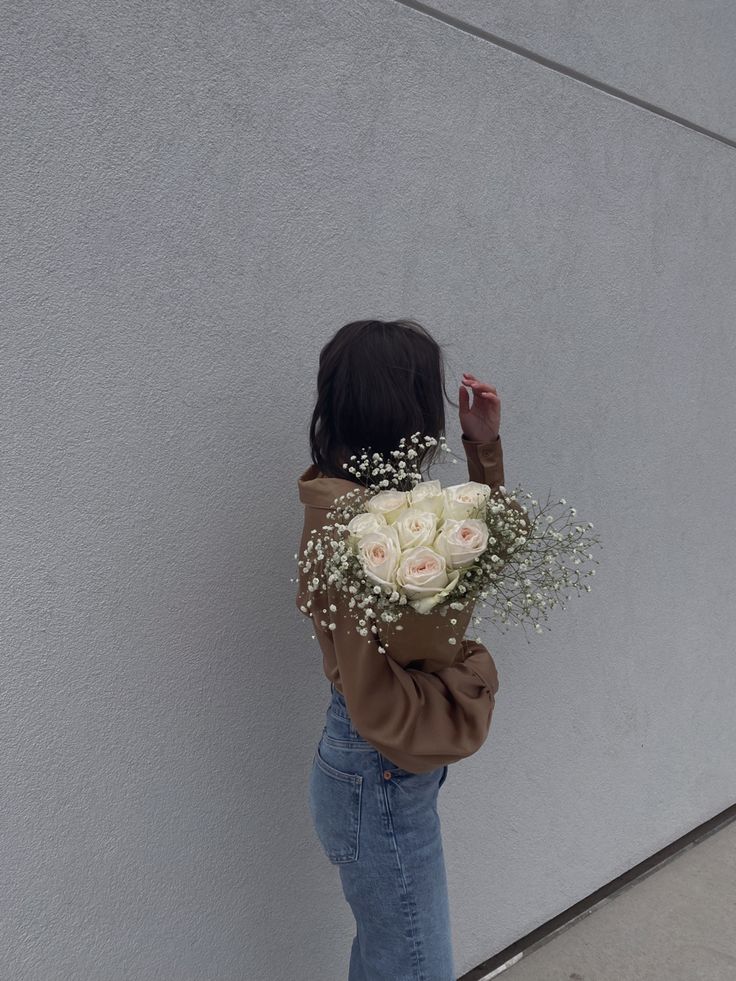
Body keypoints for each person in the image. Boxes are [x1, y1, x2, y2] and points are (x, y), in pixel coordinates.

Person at [296, 318, 508, 980]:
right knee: (416, 964)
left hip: (365, 768)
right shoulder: (363, 527)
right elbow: (397, 676)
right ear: (407, 413)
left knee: (389, 954)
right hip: (380, 769)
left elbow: (474, 553)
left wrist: (486, 449)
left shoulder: (341, 498)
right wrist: (470, 674)